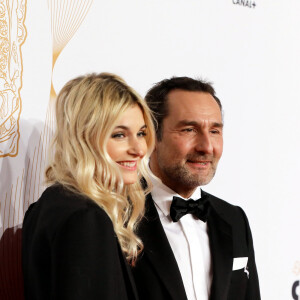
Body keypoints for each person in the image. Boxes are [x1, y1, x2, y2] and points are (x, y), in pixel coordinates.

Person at [22, 73, 155, 300]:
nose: (138, 149)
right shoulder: (85, 218)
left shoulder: (51, 204)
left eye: (141, 133)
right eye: (119, 135)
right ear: (84, 138)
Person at [132, 77, 261, 300]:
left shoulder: (234, 219)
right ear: (152, 135)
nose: (207, 146)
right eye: (189, 129)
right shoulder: (117, 217)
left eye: (214, 131)